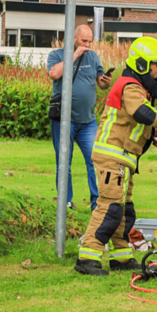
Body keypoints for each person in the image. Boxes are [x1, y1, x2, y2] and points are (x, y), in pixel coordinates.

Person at [75, 37, 157, 276]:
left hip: (124, 158)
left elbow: (137, 121)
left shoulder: (137, 87)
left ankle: (121, 258)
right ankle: (87, 257)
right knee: (109, 207)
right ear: (143, 64)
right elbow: (141, 112)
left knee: (124, 210)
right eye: (156, 64)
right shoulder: (130, 86)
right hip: (112, 156)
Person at [47, 25, 111, 211]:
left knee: (94, 160)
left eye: (90, 41)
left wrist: (105, 82)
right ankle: (66, 202)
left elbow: (100, 82)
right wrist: (74, 56)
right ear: (74, 38)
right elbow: (54, 74)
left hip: (88, 121)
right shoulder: (57, 55)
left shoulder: (92, 56)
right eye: (84, 41)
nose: (87, 44)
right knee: (64, 162)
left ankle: (96, 203)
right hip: (64, 121)